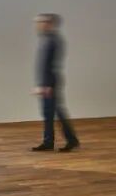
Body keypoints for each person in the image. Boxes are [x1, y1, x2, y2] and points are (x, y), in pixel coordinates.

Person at [31, 13, 80, 152]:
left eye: (41, 22)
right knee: (49, 113)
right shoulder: (46, 39)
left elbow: (50, 64)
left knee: (56, 112)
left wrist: (46, 85)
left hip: (50, 82)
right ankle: (49, 142)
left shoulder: (53, 40)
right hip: (47, 82)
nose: (38, 25)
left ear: (50, 24)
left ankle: (71, 140)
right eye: (37, 22)